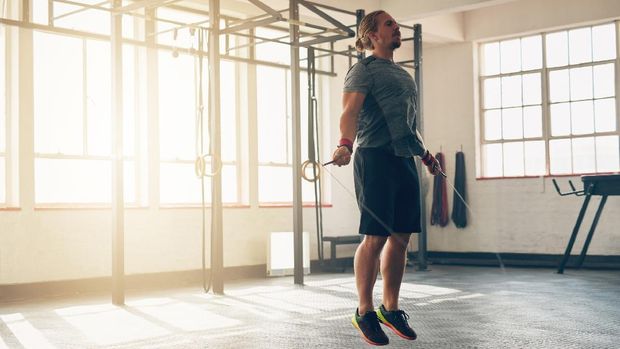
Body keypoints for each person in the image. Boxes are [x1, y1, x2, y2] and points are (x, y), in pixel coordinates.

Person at [330, 10, 443, 346]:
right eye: (389, 24)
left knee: (402, 238)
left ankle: (390, 308)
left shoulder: (404, 75)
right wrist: (345, 145)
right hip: (375, 156)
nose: (396, 28)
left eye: (396, 24)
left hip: (404, 159)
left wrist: (424, 154)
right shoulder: (362, 70)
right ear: (372, 35)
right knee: (375, 237)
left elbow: (408, 122)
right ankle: (364, 311)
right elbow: (349, 111)